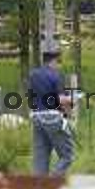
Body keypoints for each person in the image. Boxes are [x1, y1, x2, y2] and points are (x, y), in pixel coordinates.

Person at [28, 48, 75, 177]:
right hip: (52, 117)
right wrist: (70, 113)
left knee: (40, 159)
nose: (59, 65)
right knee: (67, 156)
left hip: (36, 117)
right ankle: (51, 183)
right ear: (54, 61)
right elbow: (61, 100)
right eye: (58, 62)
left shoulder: (33, 75)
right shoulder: (56, 75)